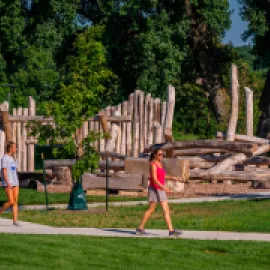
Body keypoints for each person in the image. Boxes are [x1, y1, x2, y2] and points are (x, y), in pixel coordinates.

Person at [136, 148, 184, 237]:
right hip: (155, 189)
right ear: (155, 155)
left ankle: (171, 230)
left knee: (165, 209)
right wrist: (164, 188)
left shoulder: (159, 164)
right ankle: (140, 228)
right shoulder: (153, 164)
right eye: (160, 154)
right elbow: (154, 178)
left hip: (159, 188)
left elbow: (162, 176)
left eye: (162, 154)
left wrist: (174, 178)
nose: (161, 156)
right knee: (151, 209)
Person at [0, 141, 20, 226]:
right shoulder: (5, 158)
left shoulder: (13, 158)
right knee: (11, 201)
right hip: (8, 183)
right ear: (10, 148)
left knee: (15, 202)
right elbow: (4, 171)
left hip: (15, 182)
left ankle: (15, 221)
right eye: (15, 147)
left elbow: (15, 170)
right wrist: (7, 182)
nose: (16, 149)